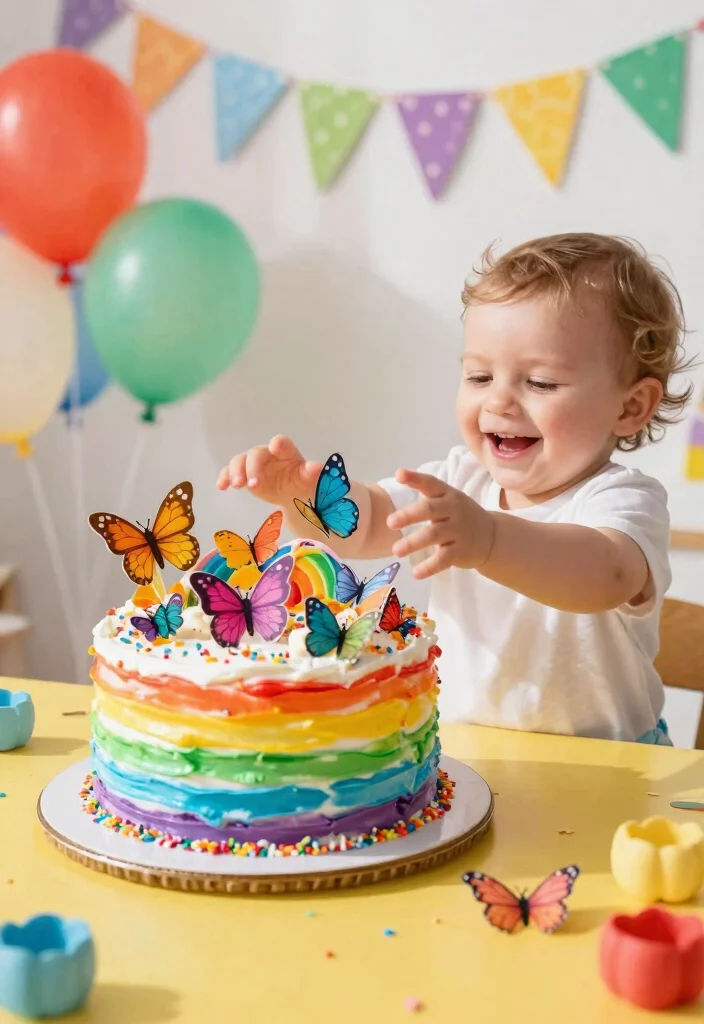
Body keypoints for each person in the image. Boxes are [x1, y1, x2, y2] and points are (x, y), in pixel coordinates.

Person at [217, 233, 692, 744]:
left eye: (541, 383)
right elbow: (371, 525)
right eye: (480, 376)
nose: (500, 403)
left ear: (629, 407)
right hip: (469, 760)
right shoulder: (460, 481)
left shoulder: (622, 501)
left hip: (608, 773)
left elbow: (606, 574)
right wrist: (299, 495)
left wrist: (488, 539)